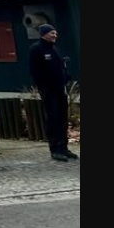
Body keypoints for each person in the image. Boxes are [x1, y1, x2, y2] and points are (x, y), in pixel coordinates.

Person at [29, 24, 76, 160]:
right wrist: (43, 88)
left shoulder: (54, 48)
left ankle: (64, 147)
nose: (55, 36)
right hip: (49, 91)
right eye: (52, 33)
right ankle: (55, 149)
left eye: (55, 33)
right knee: (53, 118)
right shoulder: (37, 49)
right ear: (44, 34)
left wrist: (65, 76)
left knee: (62, 118)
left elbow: (58, 67)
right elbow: (35, 71)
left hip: (61, 90)